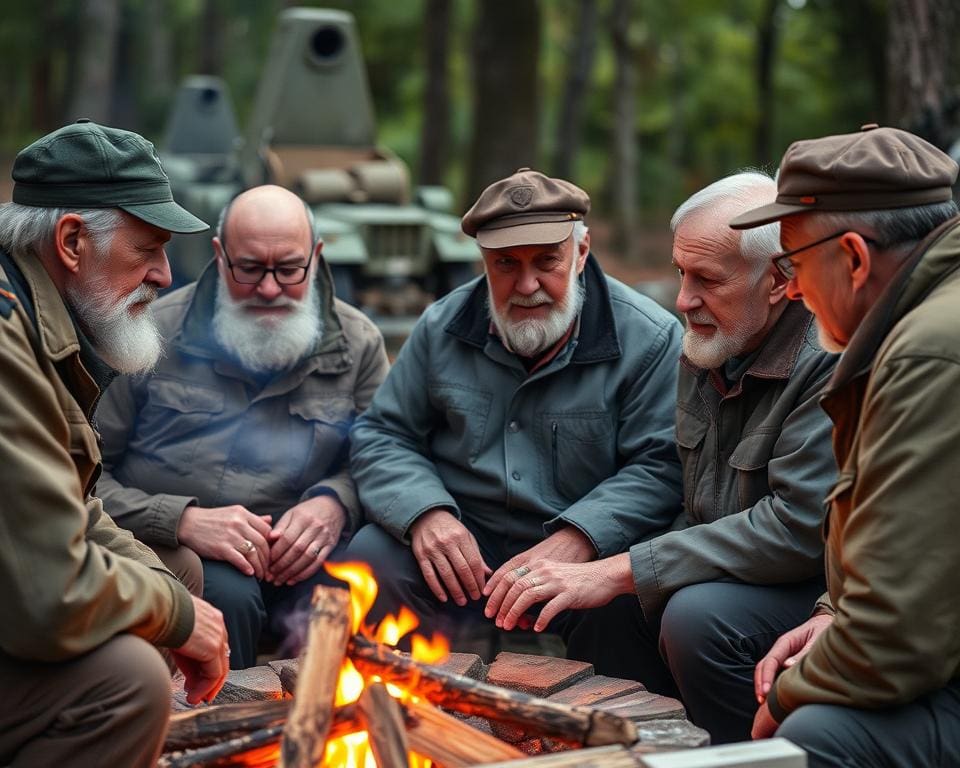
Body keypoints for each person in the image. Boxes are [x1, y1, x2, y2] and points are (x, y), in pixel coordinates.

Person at [485, 171, 838, 743]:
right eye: (680, 273)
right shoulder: (711, 340)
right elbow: (679, 482)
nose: (683, 299)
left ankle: (744, 753)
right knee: (603, 607)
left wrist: (623, 570)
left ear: (779, 281)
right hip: (723, 560)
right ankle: (628, 748)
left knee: (694, 617)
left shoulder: (824, 358)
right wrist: (593, 562)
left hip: (814, 580)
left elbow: (799, 528)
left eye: (707, 279)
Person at [345, 167, 683, 641]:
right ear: (482, 260)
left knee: (632, 589)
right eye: (506, 264)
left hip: (585, 556)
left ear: (581, 253)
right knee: (371, 557)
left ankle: (607, 712)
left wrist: (581, 537)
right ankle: (390, 706)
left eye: (547, 261)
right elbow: (383, 434)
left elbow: (662, 463)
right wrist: (425, 513)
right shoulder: (439, 326)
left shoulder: (650, 338)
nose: (527, 286)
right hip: (463, 552)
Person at [0, 120, 229, 768]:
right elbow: (50, 593)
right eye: (147, 249)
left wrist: (174, 600)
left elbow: (74, 505)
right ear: (72, 240)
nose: (163, 274)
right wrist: (181, 621)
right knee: (129, 680)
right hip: (26, 598)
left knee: (173, 569)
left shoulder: (35, 306)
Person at [730, 125, 960, 766]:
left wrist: (784, 701)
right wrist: (834, 611)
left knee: (816, 736)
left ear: (855, 258)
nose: (795, 291)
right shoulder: (927, 325)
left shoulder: (928, 355)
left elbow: (895, 641)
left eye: (795, 264)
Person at [96, 184, 390, 669]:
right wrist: (180, 520)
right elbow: (83, 474)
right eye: (249, 269)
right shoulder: (148, 334)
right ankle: (218, 730)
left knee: (350, 587)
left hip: (306, 555)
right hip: (184, 549)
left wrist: (335, 502)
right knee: (221, 598)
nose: (270, 289)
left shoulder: (358, 343)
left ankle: (325, 732)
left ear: (316, 257)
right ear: (219, 255)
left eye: (289, 269)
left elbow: (385, 458)